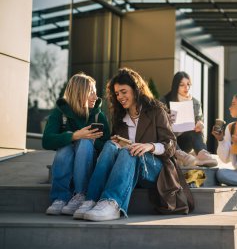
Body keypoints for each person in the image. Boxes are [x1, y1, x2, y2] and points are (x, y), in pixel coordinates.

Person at [73, 67, 193, 221]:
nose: (120, 97)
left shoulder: (156, 110)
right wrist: (116, 143)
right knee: (111, 146)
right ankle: (91, 200)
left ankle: (113, 203)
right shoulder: (120, 117)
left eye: (124, 92)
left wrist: (150, 146)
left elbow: (170, 145)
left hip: (155, 169)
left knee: (129, 151)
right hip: (128, 168)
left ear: (136, 90)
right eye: (117, 94)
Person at [43, 73, 110, 215]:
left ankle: (81, 194)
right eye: (91, 92)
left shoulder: (98, 115)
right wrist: (74, 136)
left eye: (96, 93)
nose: (95, 97)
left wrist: (92, 140)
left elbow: (107, 146)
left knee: (85, 143)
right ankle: (60, 198)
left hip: (87, 167)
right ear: (79, 92)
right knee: (65, 148)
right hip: (65, 164)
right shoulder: (59, 113)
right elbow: (47, 141)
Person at [161, 71, 217, 167]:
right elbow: (158, 123)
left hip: (186, 140)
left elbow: (199, 118)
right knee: (166, 131)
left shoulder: (195, 102)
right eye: (182, 85)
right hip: (170, 141)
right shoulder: (164, 100)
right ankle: (182, 157)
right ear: (175, 86)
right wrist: (167, 119)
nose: (186, 88)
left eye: (188, 84)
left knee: (195, 130)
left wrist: (200, 123)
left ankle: (203, 155)